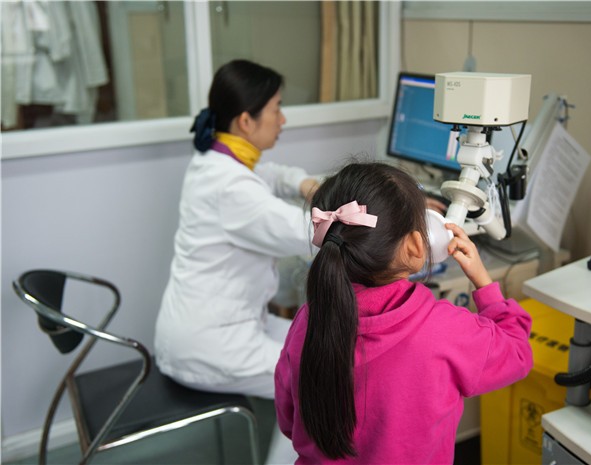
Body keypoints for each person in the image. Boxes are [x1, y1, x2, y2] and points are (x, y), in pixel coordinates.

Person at [274, 162, 534, 464]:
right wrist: (484, 283)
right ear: (416, 245)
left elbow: (289, 421)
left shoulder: (308, 319)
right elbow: (517, 353)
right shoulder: (444, 330)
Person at [154, 59, 317, 463]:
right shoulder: (231, 187)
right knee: (316, 382)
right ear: (246, 121)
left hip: (225, 323)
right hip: (210, 344)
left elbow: (269, 174)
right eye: (277, 108)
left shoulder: (215, 159)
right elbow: (309, 232)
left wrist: (304, 182)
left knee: (322, 341)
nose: (283, 119)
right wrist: (399, 217)